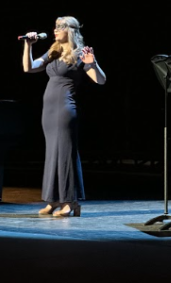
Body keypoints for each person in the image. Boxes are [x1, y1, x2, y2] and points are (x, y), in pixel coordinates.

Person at [22, 16, 106, 217]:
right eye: (55, 27)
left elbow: (100, 80)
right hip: (48, 111)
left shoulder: (79, 54)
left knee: (66, 154)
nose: (55, 30)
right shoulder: (53, 52)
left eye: (60, 27)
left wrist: (92, 64)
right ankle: (53, 200)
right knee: (52, 154)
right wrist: (28, 45)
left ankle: (71, 202)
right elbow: (29, 67)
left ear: (70, 30)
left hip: (65, 110)